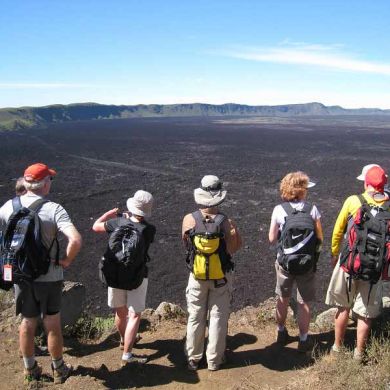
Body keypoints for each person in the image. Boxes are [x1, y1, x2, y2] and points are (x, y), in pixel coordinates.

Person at [0, 163, 82, 384]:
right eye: (50, 180)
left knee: (27, 322)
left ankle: (30, 369)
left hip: (21, 276)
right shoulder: (54, 209)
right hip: (50, 276)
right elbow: (75, 239)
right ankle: (58, 368)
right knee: (52, 323)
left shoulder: (8, 206)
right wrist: (65, 260)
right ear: (44, 183)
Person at [326, 164, 389, 362]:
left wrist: (335, 254)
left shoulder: (354, 201)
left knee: (343, 307)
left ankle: (337, 348)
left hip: (350, 264)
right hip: (375, 269)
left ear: (366, 182)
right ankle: (359, 353)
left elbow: (338, 231)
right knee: (365, 314)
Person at [182, 175, 242, 371]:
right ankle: (214, 360)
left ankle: (193, 358)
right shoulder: (226, 222)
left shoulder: (189, 220)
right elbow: (233, 249)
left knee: (195, 316)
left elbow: (186, 245)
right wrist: (233, 233)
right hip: (221, 277)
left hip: (197, 275)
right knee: (218, 317)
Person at [92, 190, 156, 366]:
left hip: (114, 274)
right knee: (134, 315)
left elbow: (96, 226)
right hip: (136, 277)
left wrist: (110, 215)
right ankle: (128, 354)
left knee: (120, 312)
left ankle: (123, 340)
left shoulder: (117, 222)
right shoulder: (149, 230)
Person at [268, 171, 323, 352]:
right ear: (302, 190)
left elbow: (271, 238)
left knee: (283, 298)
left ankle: (281, 332)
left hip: (284, 263)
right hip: (306, 264)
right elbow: (320, 238)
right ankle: (303, 339)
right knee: (304, 303)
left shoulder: (279, 209)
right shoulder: (312, 209)